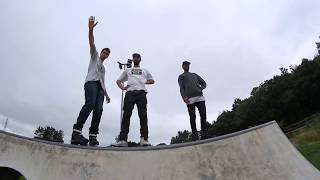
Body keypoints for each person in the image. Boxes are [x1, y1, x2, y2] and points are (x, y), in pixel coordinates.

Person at [71, 16, 111, 146]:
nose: (105, 54)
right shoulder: (95, 56)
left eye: (107, 54)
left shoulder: (103, 68)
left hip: (100, 88)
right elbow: (92, 43)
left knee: (98, 109)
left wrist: (107, 95)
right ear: (101, 53)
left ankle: (93, 136)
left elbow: (103, 82)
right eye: (104, 52)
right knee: (90, 103)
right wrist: (90, 30)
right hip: (90, 84)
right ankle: (76, 132)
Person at [112, 53, 155, 147]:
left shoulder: (145, 70)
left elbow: (152, 81)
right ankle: (123, 140)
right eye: (134, 57)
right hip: (130, 93)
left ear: (140, 59)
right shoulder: (128, 70)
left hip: (141, 93)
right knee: (126, 115)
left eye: (137, 57)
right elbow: (118, 81)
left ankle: (144, 139)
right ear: (133, 59)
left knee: (143, 115)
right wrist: (122, 88)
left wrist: (145, 81)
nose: (135, 58)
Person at [178, 61, 208, 141]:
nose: (186, 66)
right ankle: (195, 136)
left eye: (188, 65)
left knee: (203, 115)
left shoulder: (194, 75)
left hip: (200, 97)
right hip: (190, 98)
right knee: (192, 117)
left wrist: (200, 88)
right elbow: (181, 88)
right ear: (182, 66)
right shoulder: (181, 76)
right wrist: (184, 97)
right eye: (185, 65)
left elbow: (204, 83)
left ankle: (204, 135)